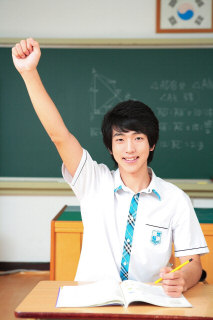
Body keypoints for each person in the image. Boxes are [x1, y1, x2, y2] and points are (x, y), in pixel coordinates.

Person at [12, 38, 209, 298]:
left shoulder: (175, 199)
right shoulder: (93, 181)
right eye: (120, 139)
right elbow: (59, 135)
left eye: (138, 138)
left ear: (152, 144)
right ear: (110, 147)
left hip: (146, 304)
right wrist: (29, 72)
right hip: (92, 302)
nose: (129, 148)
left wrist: (182, 278)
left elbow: (194, 264)